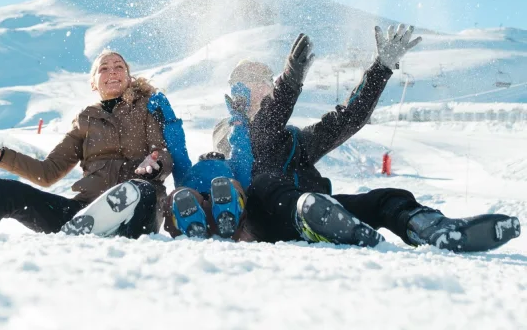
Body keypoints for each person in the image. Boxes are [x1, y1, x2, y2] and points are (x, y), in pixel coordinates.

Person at [217, 27, 521, 252]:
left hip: (324, 215)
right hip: (266, 220)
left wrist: (381, 68)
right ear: (237, 93)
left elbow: (347, 119)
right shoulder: (228, 133)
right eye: (248, 83)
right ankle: (312, 213)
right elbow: (260, 133)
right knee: (266, 184)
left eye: (263, 82)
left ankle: (433, 229)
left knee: (386, 198)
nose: (258, 89)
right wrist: (291, 81)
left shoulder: (295, 141)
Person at [0, 51, 172, 238]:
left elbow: (165, 153)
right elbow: (47, 173)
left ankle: (106, 224)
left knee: (139, 190)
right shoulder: (85, 122)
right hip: (83, 214)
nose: (112, 71)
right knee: (5, 190)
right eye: (104, 68)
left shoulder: (149, 109)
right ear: (93, 83)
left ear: (128, 76)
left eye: (119, 66)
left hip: (137, 210)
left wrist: (155, 163)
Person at [146, 91, 251, 240]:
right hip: (196, 204)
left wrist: (238, 121)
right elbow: (178, 151)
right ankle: (198, 216)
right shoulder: (191, 171)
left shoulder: (231, 167)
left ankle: (216, 212)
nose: (212, 154)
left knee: (228, 186)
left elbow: (242, 153)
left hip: (226, 211)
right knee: (182, 194)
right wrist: (168, 121)